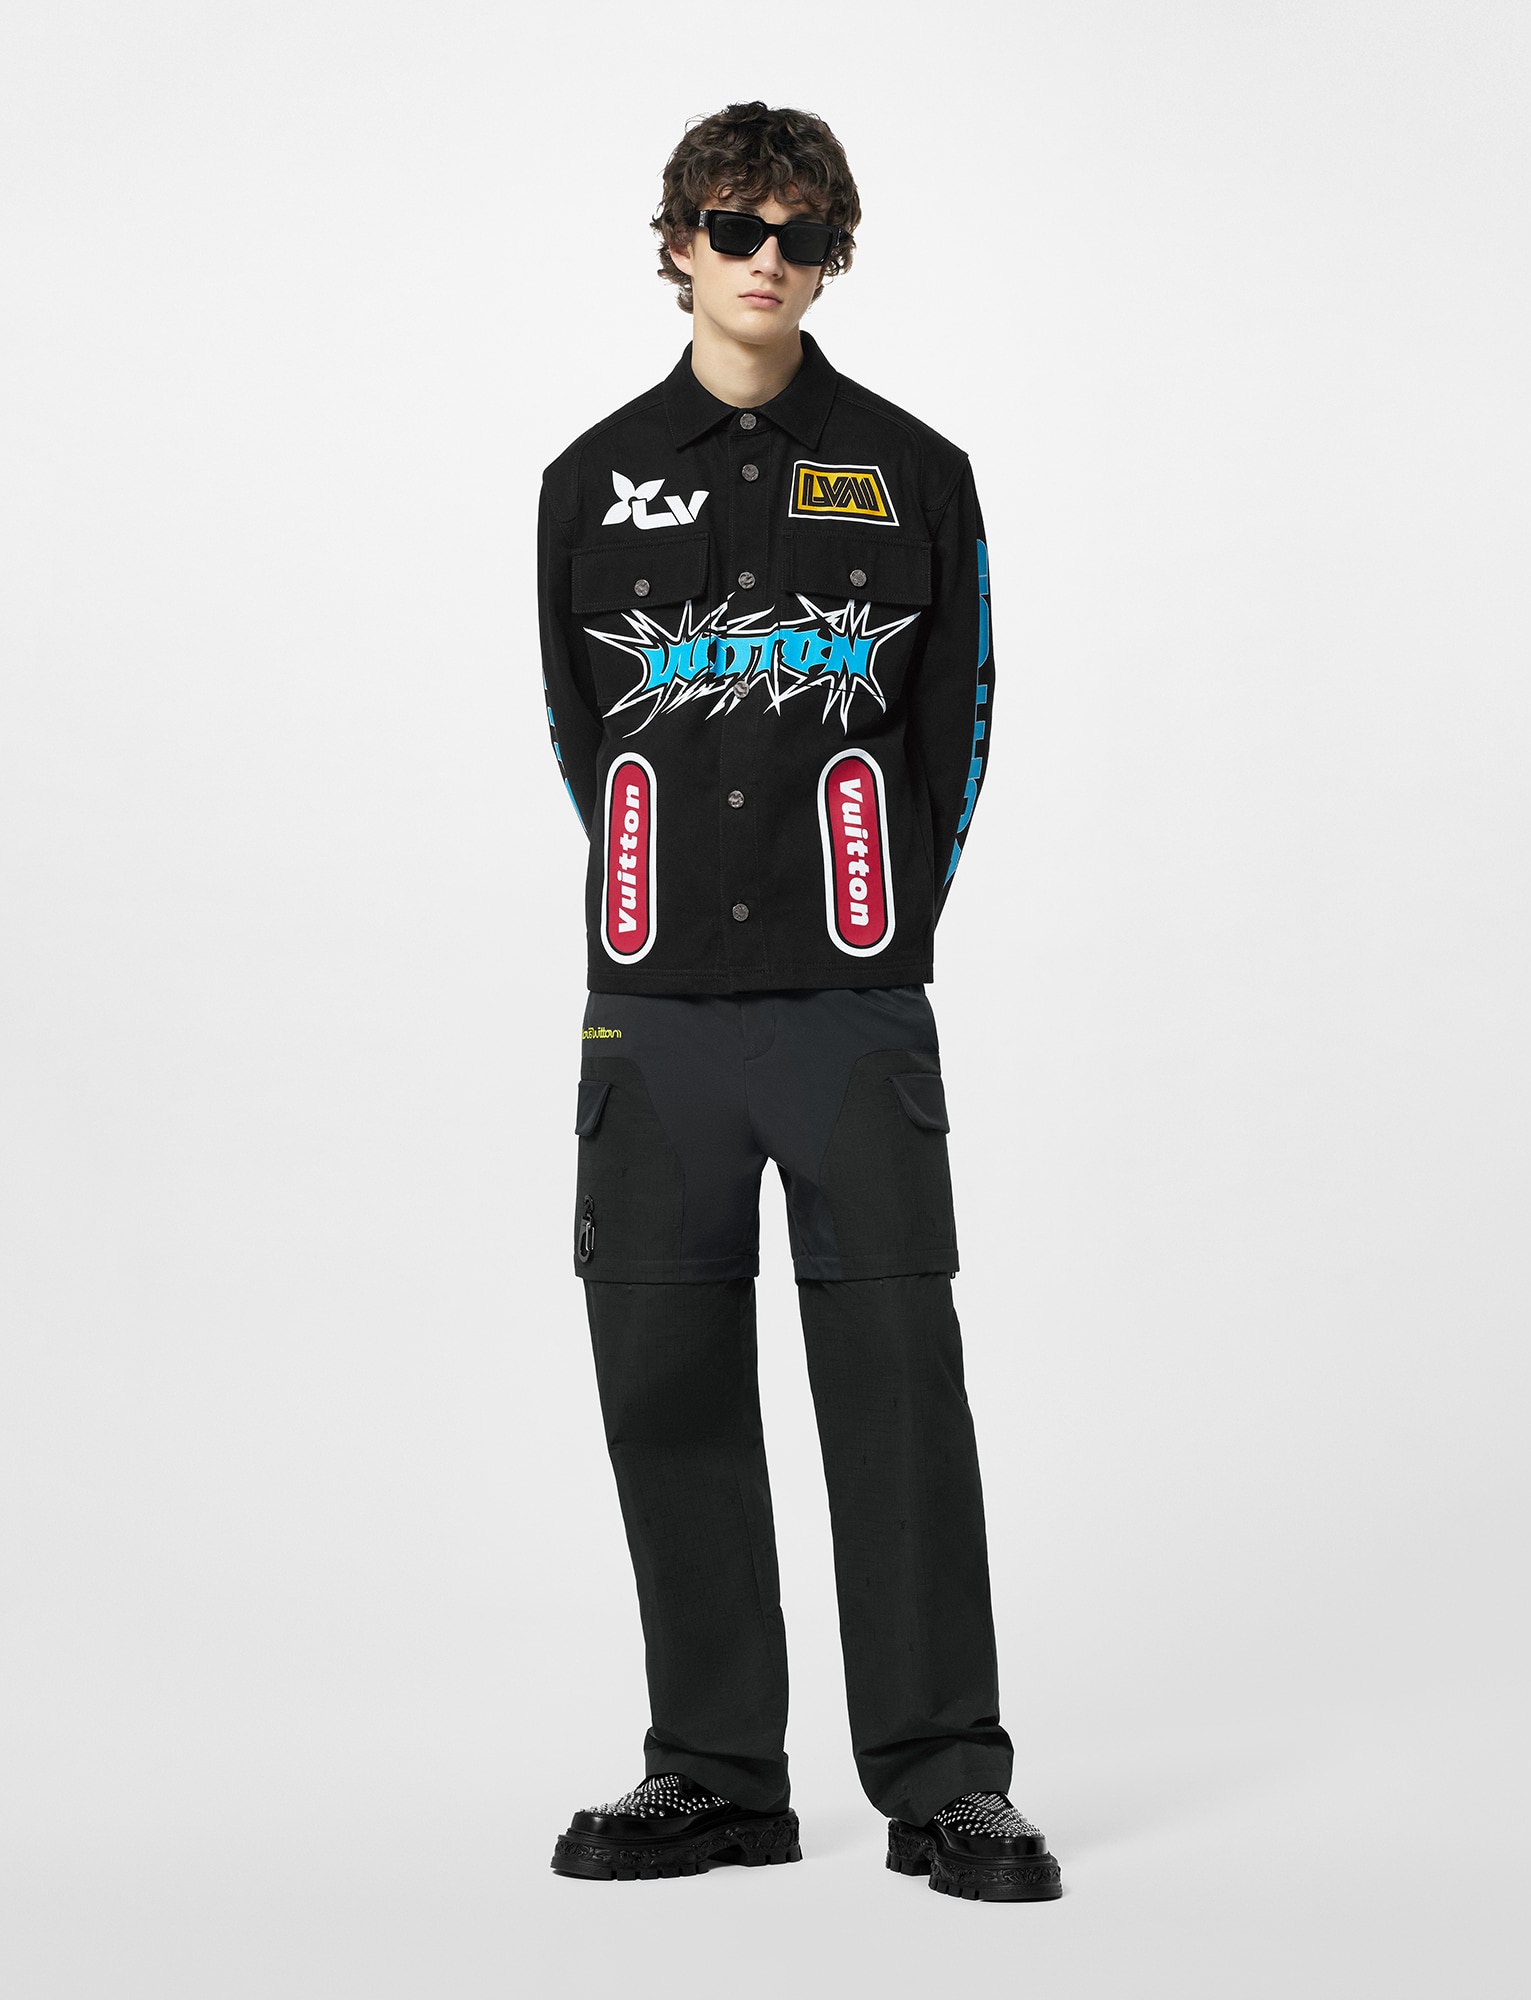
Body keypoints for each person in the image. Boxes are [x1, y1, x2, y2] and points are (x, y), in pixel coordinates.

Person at [537, 101, 1059, 1905]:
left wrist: (880, 925)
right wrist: (655, 910)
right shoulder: (592, 479)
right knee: (663, 1375)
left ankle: (947, 1781)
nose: (769, 258)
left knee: (897, 1384)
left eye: (804, 233)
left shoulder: (916, 471)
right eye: (736, 226)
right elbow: (583, 737)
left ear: (835, 257)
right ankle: (712, 1778)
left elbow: (955, 731)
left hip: (852, 1016)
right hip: (657, 1016)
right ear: (677, 242)